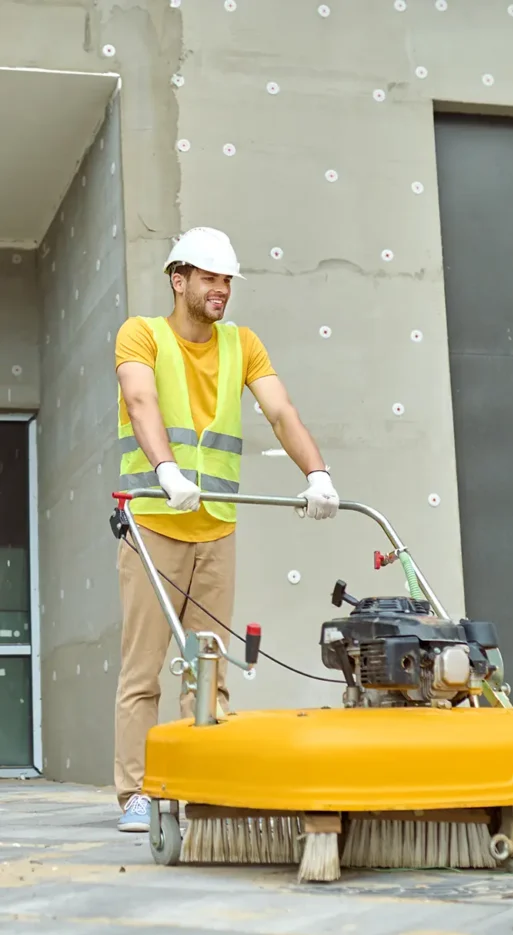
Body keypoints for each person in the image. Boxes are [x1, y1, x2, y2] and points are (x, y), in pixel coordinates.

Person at [114, 226, 339, 832]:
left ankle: (204, 786)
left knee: (207, 665)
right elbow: (141, 404)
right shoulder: (142, 334)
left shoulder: (243, 345)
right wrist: (164, 469)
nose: (221, 290)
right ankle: (135, 792)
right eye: (209, 279)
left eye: (227, 281)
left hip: (215, 526)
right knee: (144, 667)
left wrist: (317, 474)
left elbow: (280, 411)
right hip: (155, 522)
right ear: (178, 279)